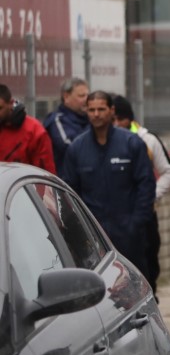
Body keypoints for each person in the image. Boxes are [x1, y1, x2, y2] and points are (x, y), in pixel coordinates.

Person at [62, 91, 155, 273]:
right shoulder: (77, 148)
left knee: (135, 284)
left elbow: (146, 185)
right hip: (93, 236)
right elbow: (69, 193)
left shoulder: (131, 143)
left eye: (101, 109)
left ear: (111, 110)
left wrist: (135, 224)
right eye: (91, 110)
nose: (96, 114)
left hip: (129, 235)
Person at [114, 95, 170, 291]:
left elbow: (169, 171)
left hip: (142, 214)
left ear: (124, 119)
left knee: (148, 260)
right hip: (112, 215)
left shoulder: (147, 140)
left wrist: (151, 195)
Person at [0, 83, 55, 173]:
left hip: (21, 185)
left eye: (0, 108)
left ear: (11, 103)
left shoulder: (34, 131)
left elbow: (45, 174)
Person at [44, 76, 90, 176]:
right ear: (66, 97)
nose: (87, 100)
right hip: (66, 184)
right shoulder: (57, 120)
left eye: (88, 95)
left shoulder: (90, 119)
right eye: (82, 96)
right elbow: (70, 146)